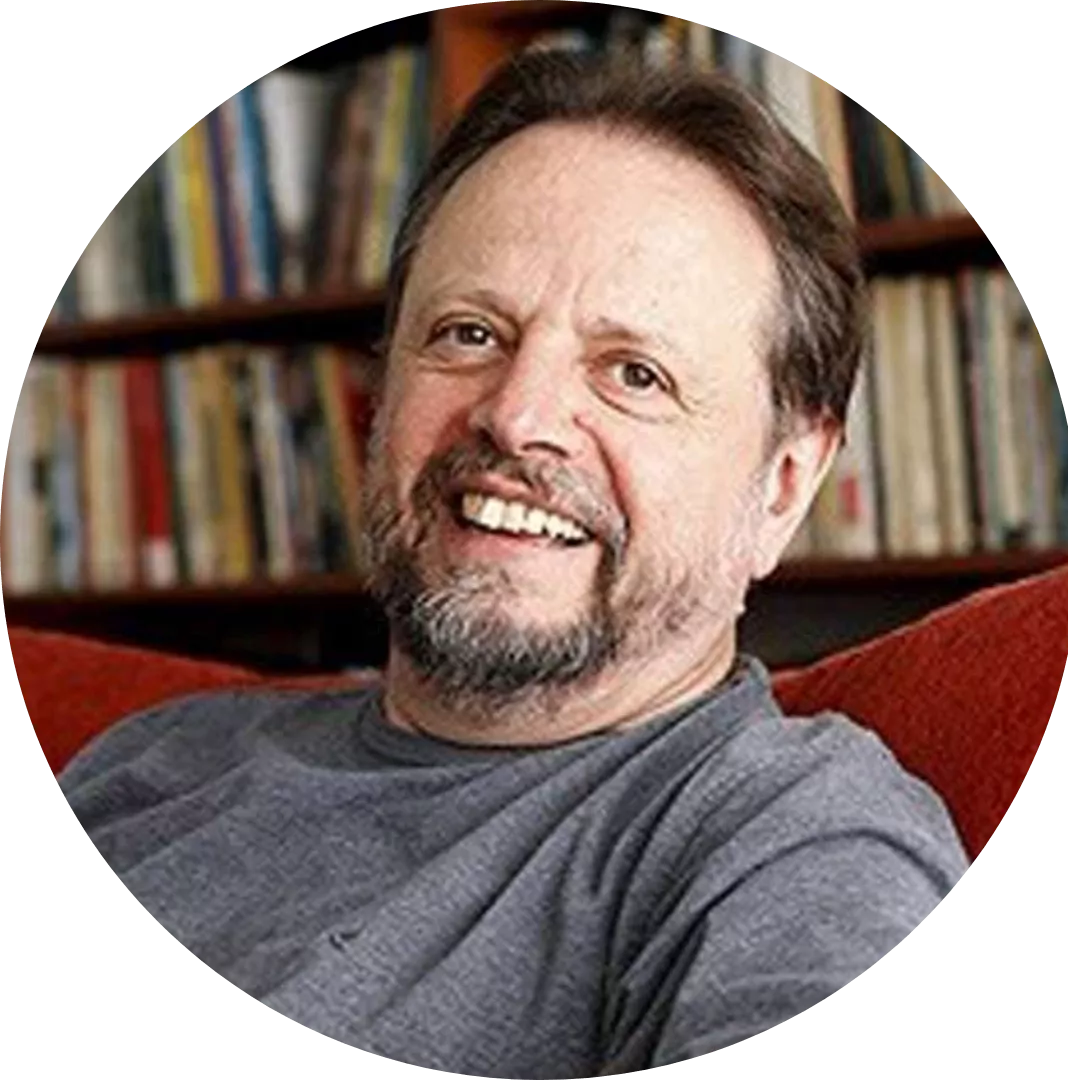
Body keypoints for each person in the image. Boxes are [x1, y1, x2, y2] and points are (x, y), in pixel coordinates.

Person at [55, 50, 969, 1076]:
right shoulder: (149, 765)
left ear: (783, 487)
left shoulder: (790, 840)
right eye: (469, 333)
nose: (517, 414)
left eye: (634, 374)